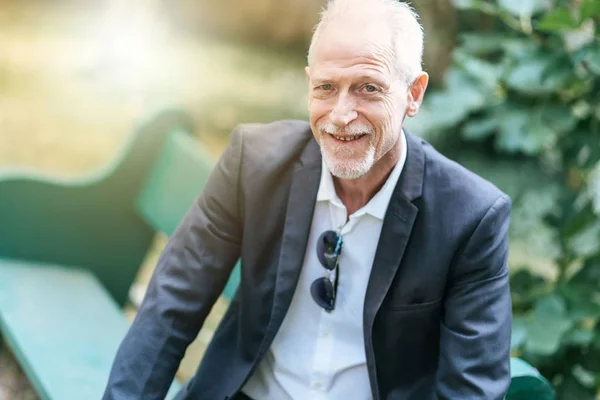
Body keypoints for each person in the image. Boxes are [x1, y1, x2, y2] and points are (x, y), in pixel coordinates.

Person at [103, 0, 512, 398]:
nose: (340, 114)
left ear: (413, 94)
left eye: (368, 88)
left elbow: (471, 388)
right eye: (326, 88)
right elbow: (170, 307)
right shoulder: (253, 163)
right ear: (308, 83)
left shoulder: (471, 217)